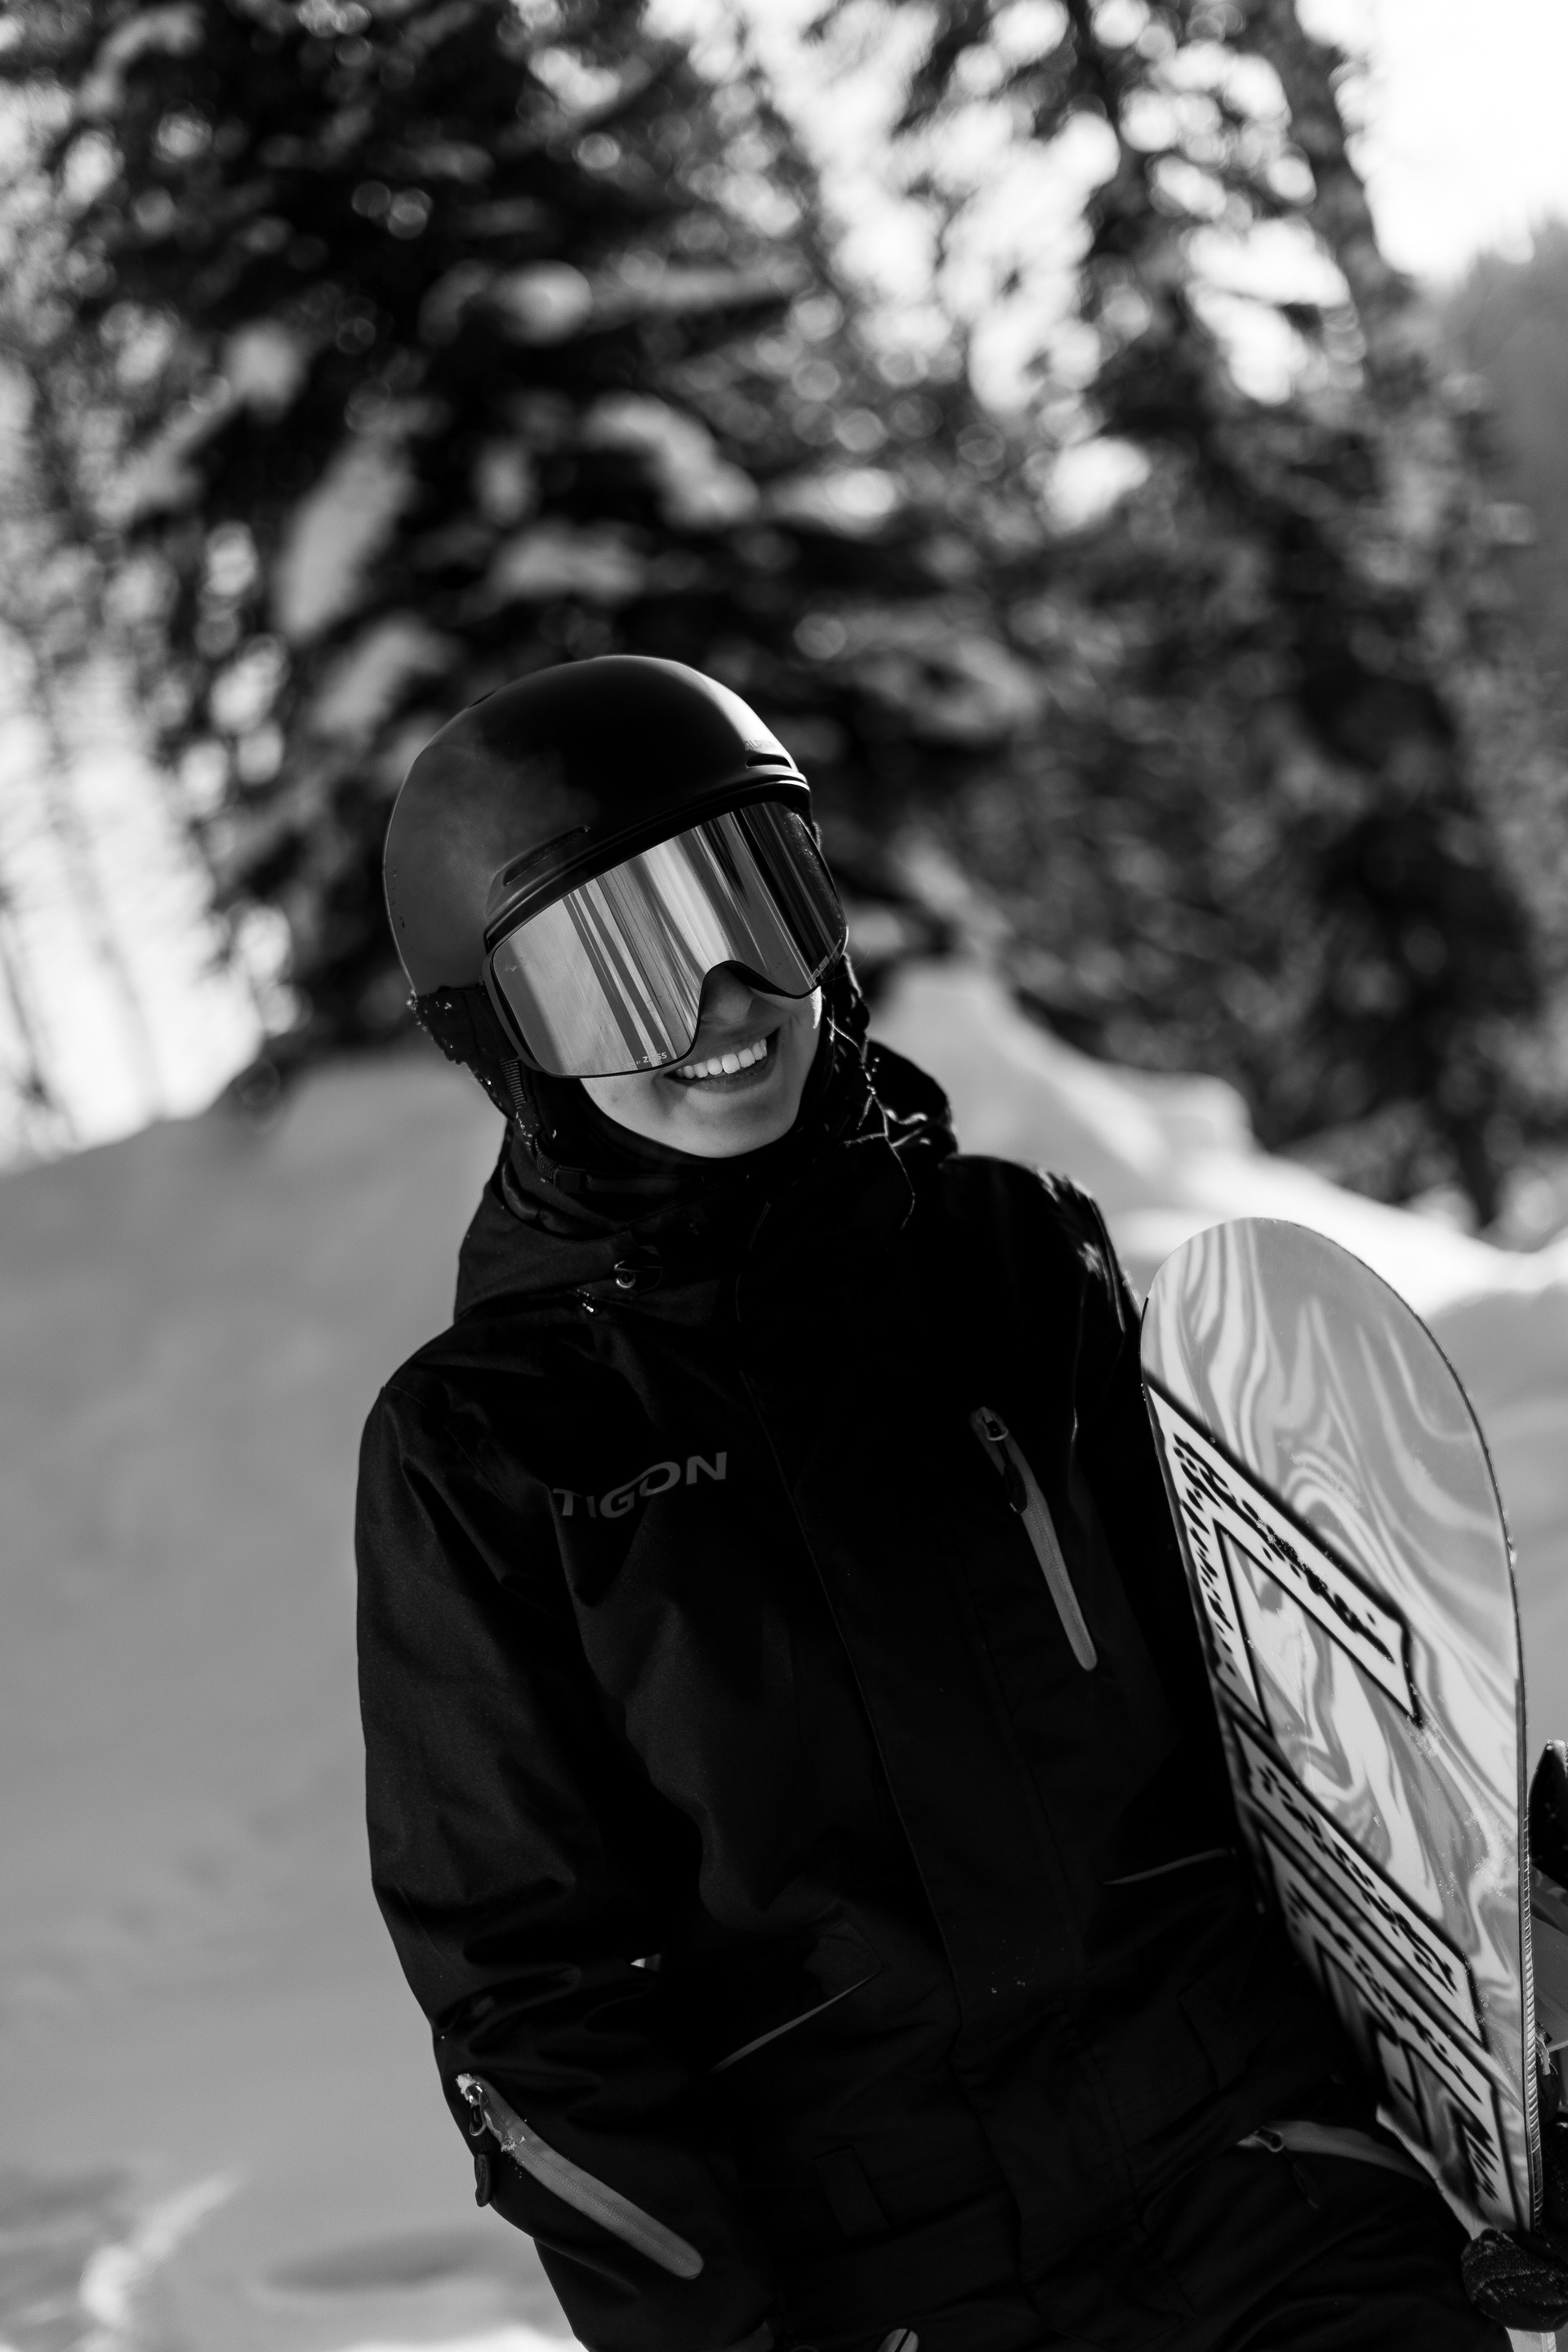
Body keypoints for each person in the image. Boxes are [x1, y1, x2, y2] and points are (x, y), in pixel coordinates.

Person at [355, 654, 1517, 2351]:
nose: (727, 999)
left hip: (1258, 2174)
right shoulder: (492, 1449)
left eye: (753, 900)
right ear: (498, 1036)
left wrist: (1507, 2044)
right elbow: (531, 2001)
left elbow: (1301, 1724)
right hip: (895, 2280)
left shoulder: (1012, 1261)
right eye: (620, 970)